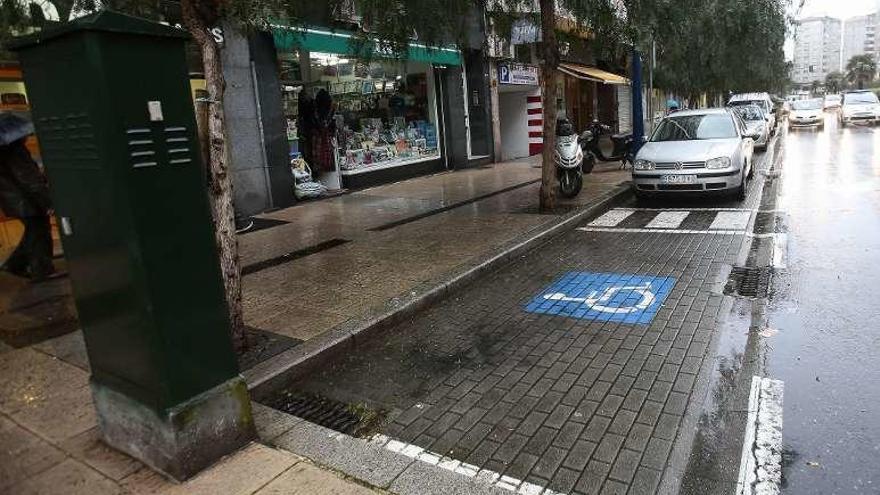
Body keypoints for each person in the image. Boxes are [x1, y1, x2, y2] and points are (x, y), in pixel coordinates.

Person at [0, 134, 55, 281]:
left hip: (13, 199)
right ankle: (41, 270)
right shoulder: (14, 149)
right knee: (39, 232)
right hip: (26, 200)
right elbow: (29, 180)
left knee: (35, 231)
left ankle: (17, 264)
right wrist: (47, 201)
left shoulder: (4, 149)